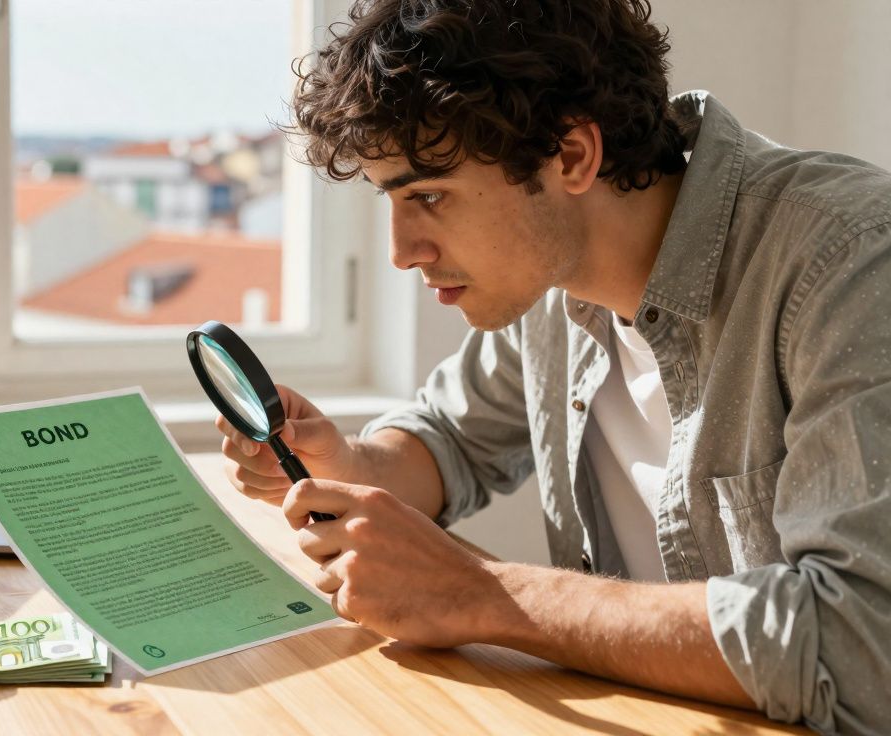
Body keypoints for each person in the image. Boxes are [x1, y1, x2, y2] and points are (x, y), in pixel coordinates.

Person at [214, 1, 891, 733]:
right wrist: (350, 464)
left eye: (428, 195)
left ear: (571, 156)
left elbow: (860, 645)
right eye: (392, 201)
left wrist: (483, 595)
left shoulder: (852, 261)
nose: (402, 252)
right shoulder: (554, 279)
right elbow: (452, 438)